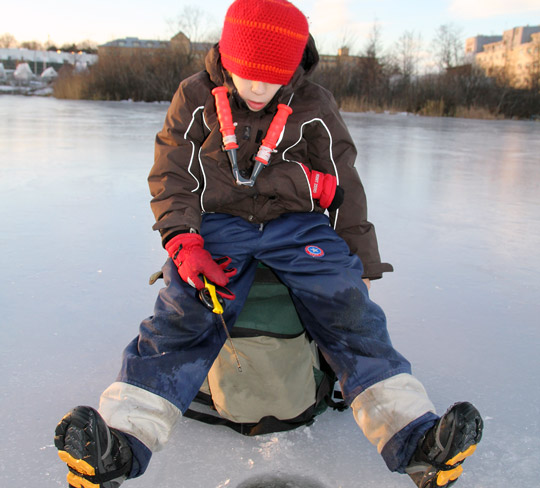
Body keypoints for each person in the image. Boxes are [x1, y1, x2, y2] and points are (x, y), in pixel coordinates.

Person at [54, 1, 483, 488]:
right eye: (247, 74)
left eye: (273, 76)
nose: (258, 88)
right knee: (184, 310)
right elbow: (173, 175)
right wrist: (183, 242)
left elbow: (344, 178)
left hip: (296, 225)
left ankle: (418, 442)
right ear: (226, 56)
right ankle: (119, 445)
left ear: (294, 68)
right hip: (218, 225)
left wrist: (359, 258)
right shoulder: (194, 96)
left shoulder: (314, 104)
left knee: (349, 308)